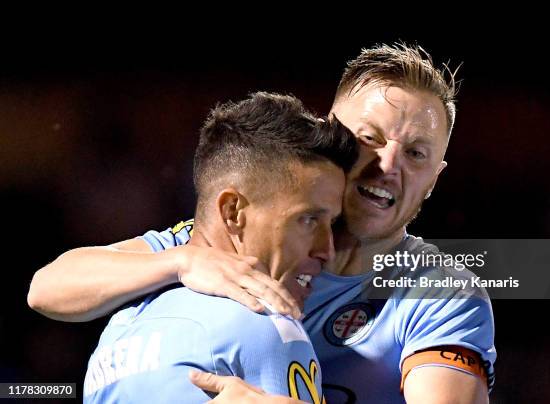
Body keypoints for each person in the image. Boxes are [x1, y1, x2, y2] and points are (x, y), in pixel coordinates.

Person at [29, 43, 496, 403]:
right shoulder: (233, 242)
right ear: (330, 130)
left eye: (416, 154)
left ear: (435, 179)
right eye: (368, 139)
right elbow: (47, 289)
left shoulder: (440, 292)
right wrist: (181, 261)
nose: (387, 164)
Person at [82, 92, 358, 403]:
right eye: (308, 220)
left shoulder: (116, 333)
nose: (327, 250)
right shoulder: (267, 325)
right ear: (232, 212)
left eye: (330, 224)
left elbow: (44, 287)